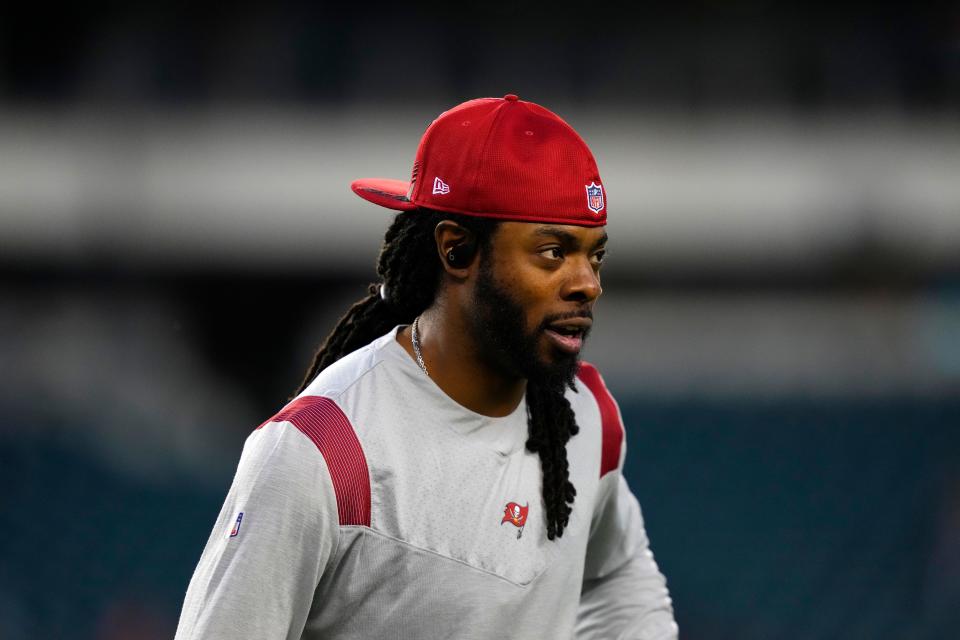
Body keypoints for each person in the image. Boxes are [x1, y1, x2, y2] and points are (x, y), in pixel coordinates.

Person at [175, 94, 677, 640]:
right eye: (553, 252)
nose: (588, 283)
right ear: (456, 250)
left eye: (594, 255)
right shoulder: (319, 450)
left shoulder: (584, 416)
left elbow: (619, 579)